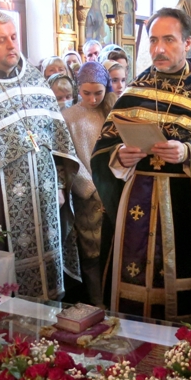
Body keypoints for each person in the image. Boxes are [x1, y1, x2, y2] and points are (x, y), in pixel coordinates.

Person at [91, 7, 191, 321]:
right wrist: (118, 156)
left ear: (187, 43)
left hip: (187, 207)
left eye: (169, 40)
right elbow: (103, 148)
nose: (159, 48)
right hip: (136, 206)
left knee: (182, 289)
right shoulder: (136, 89)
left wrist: (189, 153)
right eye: (153, 40)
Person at [0, 10, 81, 300]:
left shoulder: (35, 82)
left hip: (46, 198)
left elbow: (58, 140)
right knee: (12, 282)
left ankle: (52, 318)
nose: (11, 45)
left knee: (51, 269)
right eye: (1, 40)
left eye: (13, 37)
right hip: (2, 200)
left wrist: (60, 184)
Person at [63, 62, 117, 305]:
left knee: (115, 251)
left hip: (114, 190)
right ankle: (97, 305)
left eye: (98, 93)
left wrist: (113, 183)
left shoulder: (113, 112)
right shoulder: (68, 117)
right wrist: (92, 188)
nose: (93, 99)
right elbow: (68, 158)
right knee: (91, 252)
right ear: (78, 89)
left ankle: (115, 304)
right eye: (87, 93)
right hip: (88, 196)